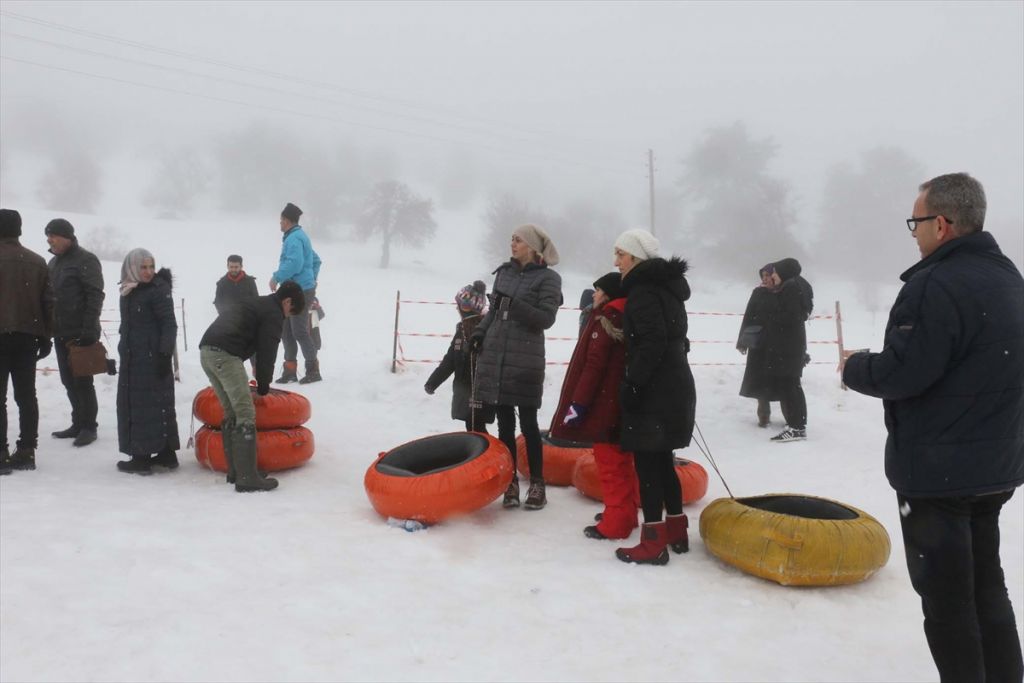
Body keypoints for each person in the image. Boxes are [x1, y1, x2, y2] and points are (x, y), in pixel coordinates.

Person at [843, 172, 1024, 683]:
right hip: (994, 468)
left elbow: (905, 373)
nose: (915, 233)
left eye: (916, 222)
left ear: (941, 224)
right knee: (986, 587)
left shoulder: (933, 284)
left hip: (939, 473)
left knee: (948, 602)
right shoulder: (1008, 277)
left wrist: (856, 366)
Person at [612, 228, 696, 566]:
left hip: (655, 390)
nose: (616, 261)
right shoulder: (668, 290)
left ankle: (652, 543)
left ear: (635, 257)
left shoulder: (644, 291)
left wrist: (633, 383)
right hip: (675, 384)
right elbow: (675, 338)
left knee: (647, 464)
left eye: (620, 254)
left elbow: (652, 342)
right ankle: (676, 530)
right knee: (663, 462)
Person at [471, 224, 562, 510]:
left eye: (518, 240)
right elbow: (495, 312)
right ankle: (510, 482)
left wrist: (515, 305)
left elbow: (546, 318)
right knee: (505, 424)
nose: (512, 243)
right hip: (496, 355)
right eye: (511, 238)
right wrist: (480, 332)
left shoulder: (549, 279)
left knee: (529, 424)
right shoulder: (504, 274)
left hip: (525, 359)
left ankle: (537, 483)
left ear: (532, 247)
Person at [551, 272, 639, 540]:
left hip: (603, 404)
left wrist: (578, 404)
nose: (594, 295)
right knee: (623, 461)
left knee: (610, 463)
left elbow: (593, 366)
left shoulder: (606, 319)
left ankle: (616, 523)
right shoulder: (628, 316)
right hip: (621, 401)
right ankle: (626, 512)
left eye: (598, 290)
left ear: (609, 294)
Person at [199, 280, 305, 492]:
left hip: (207, 351)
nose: (287, 316)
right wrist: (264, 387)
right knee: (245, 412)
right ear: (287, 301)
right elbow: (267, 353)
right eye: (290, 311)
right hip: (226, 354)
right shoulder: (274, 313)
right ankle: (247, 477)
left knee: (231, 411)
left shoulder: (260, 303)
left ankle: (236, 471)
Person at [114, 249, 180, 475]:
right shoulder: (129, 290)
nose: (149, 272)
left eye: (151, 267)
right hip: (134, 358)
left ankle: (142, 457)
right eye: (143, 267)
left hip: (151, 359)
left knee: (146, 407)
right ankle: (165, 452)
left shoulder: (157, 290)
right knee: (151, 406)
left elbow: (169, 325)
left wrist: (164, 355)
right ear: (132, 267)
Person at [0, 209, 54, 475]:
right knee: (26, 396)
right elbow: (48, 304)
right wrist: (46, 336)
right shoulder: (37, 261)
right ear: (19, 230)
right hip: (27, 337)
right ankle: (26, 450)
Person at [45, 218, 104, 447]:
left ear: (67, 237)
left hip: (81, 332)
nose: (50, 240)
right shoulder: (53, 263)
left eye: (54, 235)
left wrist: (89, 329)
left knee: (82, 380)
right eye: (48, 236)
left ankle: (89, 426)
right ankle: (77, 422)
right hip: (60, 332)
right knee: (68, 380)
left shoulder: (86, 260)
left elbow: (95, 295)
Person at [424, 280, 496, 434]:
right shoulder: (461, 330)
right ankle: (482, 454)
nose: (457, 308)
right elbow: (450, 360)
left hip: (481, 391)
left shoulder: (485, 330)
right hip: (464, 389)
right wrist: (433, 382)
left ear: (468, 308)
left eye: (461, 305)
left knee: (476, 427)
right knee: (472, 426)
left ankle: (488, 455)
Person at [760, 257, 812, 442]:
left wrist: (770, 310)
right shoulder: (798, 285)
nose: (772, 276)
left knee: (791, 387)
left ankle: (797, 427)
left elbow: (788, 317)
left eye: (775, 272)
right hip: (792, 345)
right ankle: (797, 425)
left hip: (787, 347)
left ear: (783, 272)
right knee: (793, 386)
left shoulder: (791, 288)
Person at [270, 203, 322, 384]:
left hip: (299, 291)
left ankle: (313, 369)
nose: (280, 224)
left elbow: (295, 263)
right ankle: (290, 371)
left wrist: (276, 277)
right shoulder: (299, 236)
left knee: (298, 330)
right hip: (295, 289)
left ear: (287, 221)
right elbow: (316, 260)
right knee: (286, 331)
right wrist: (312, 278)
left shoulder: (293, 239)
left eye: (281, 220)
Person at [737, 264, 777, 427]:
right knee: (760, 380)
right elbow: (748, 316)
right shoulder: (758, 293)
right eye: (763, 276)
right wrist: (742, 341)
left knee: (780, 380)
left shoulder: (783, 293)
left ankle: (791, 417)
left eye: (768, 275)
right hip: (758, 343)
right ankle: (763, 415)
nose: (765, 279)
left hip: (777, 344)